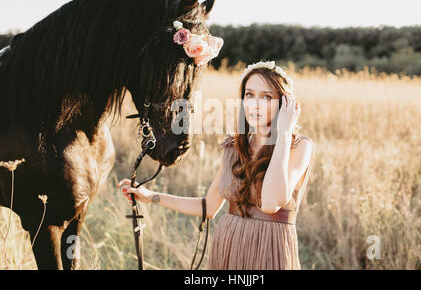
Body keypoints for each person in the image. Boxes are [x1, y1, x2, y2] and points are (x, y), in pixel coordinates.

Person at [118, 60, 314, 269]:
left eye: (266, 97)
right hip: (229, 244)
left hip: (270, 248)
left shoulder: (298, 147)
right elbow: (209, 207)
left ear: (285, 104)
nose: (255, 104)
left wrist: (283, 134)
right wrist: (151, 197)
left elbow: (270, 203)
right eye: (249, 95)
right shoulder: (234, 148)